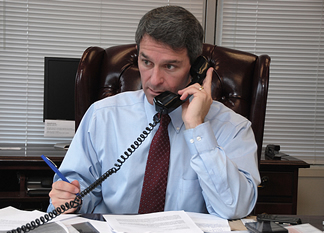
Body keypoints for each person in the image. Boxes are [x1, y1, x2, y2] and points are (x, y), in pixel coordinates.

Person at [47, 5, 260, 219]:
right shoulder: (102, 116)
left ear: (197, 68)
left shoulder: (232, 127)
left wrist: (197, 127)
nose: (154, 80)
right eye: (146, 62)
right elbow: (76, 191)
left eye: (170, 66)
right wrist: (71, 199)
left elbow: (235, 209)